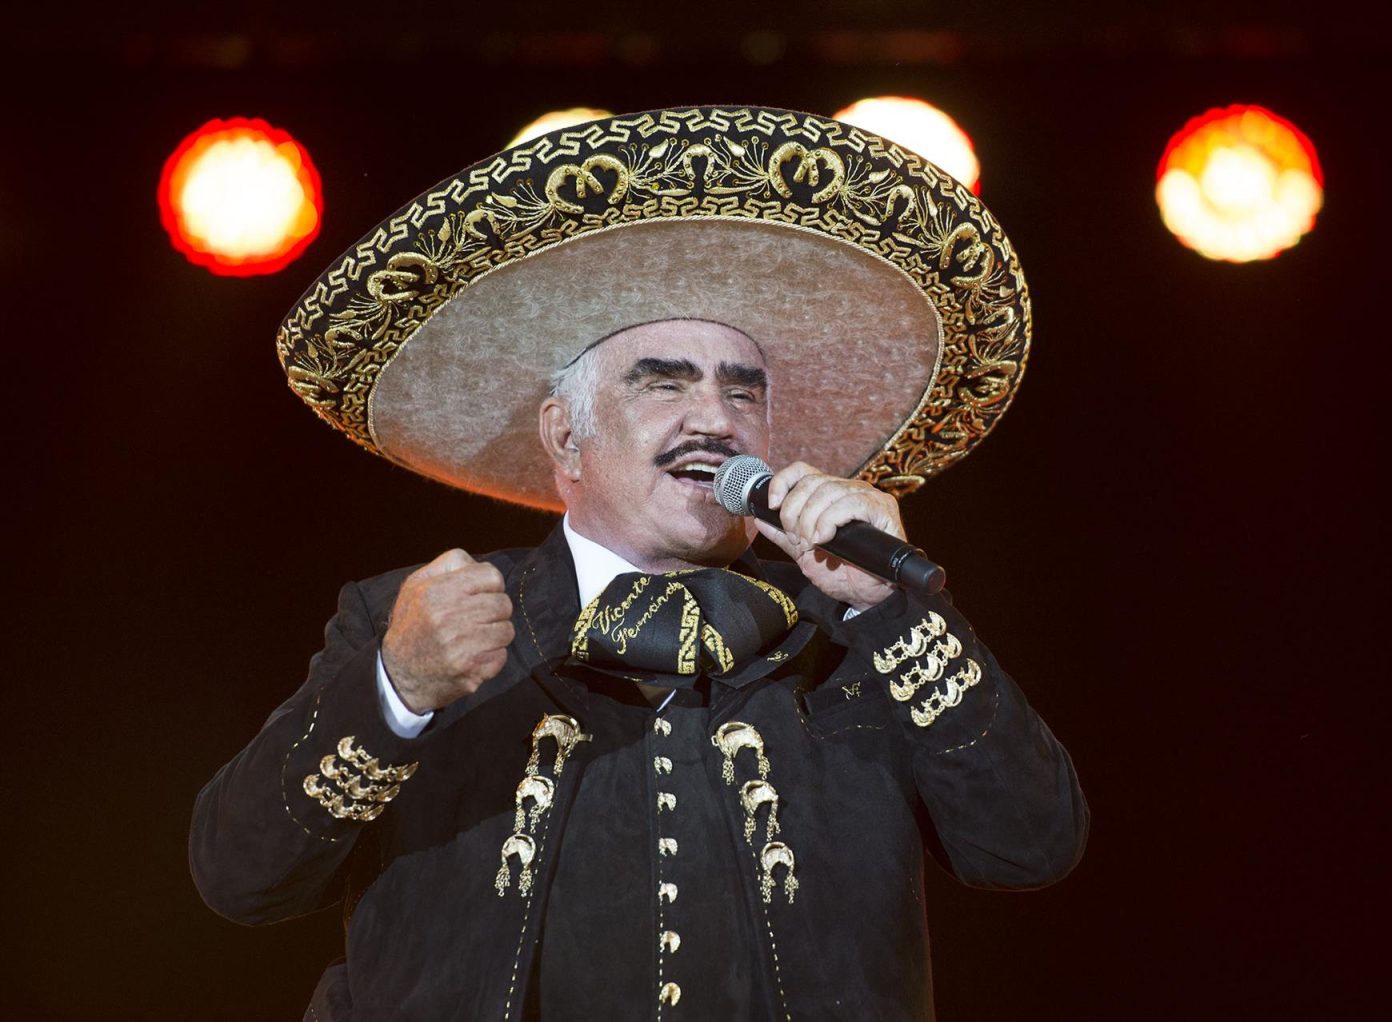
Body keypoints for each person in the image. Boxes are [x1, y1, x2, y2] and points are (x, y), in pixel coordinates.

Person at [193, 106, 1088, 1020]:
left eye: (742, 392)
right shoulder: (414, 622)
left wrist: (893, 614)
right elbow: (241, 878)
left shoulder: (852, 628)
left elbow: (1028, 846)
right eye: (664, 382)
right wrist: (395, 692)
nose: (715, 419)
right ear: (564, 435)